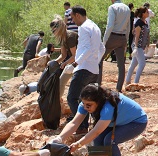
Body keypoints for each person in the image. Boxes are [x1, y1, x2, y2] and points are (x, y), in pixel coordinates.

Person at [50, 84, 147, 156]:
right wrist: (59, 138)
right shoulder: (86, 104)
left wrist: (77, 145)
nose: (86, 107)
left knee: (109, 141)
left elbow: (96, 131)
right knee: (98, 140)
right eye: (84, 104)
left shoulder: (107, 107)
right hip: (115, 122)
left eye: (89, 105)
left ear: (99, 102)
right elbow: (74, 123)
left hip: (136, 122)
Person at [66, 5, 105, 135]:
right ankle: (97, 125)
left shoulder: (83, 27)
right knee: (91, 98)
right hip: (94, 70)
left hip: (83, 68)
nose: (73, 21)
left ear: (77, 15)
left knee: (72, 98)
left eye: (72, 18)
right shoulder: (95, 27)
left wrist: (76, 63)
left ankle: (82, 126)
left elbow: (87, 48)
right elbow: (102, 48)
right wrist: (96, 62)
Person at [101, 0, 131, 92]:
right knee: (121, 64)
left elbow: (110, 25)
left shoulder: (112, 7)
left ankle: (97, 86)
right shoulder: (127, 8)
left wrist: (104, 41)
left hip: (112, 36)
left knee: (99, 60)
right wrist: (126, 40)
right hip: (122, 37)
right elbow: (128, 26)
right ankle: (118, 89)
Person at [50, 15, 78, 97]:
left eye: (53, 31)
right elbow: (63, 55)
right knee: (61, 82)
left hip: (82, 62)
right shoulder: (62, 38)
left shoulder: (70, 37)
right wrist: (54, 62)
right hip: (73, 62)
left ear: (59, 29)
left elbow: (75, 55)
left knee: (76, 88)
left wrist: (65, 63)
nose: (53, 33)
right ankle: (58, 102)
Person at [126, 7, 150, 85]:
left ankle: (128, 81)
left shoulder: (145, 22)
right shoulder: (139, 23)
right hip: (138, 46)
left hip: (141, 46)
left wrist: (147, 44)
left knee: (134, 64)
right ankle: (136, 82)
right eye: (146, 12)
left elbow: (147, 34)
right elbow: (137, 35)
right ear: (143, 13)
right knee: (142, 64)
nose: (148, 13)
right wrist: (136, 47)